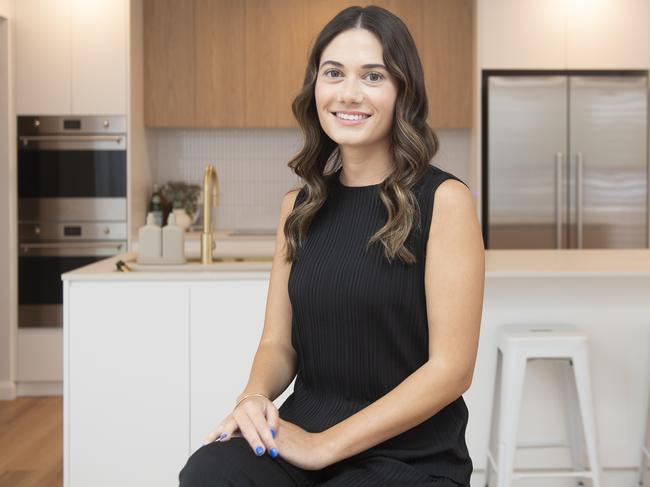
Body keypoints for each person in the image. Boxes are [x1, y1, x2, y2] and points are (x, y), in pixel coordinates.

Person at [178, 5, 484, 486]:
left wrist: (324, 446)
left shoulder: (445, 200)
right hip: (303, 432)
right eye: (334, 73)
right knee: (209, 471)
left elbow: (452, 369)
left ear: (403, 91)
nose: (348, 93)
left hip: (409, 454)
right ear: (315, 87)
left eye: (373, 76)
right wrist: (253, 398)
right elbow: (278, 344)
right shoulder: (297, 207)